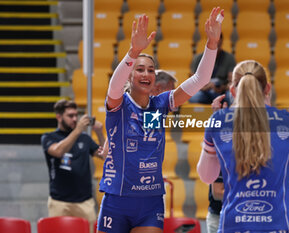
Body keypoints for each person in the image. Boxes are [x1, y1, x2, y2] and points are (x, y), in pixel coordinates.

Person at [97, 7, 223, 233]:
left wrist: (211, 44)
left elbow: (200, 79)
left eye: (151, 70)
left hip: (151, 199)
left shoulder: (159, 106)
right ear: (131, 75)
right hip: (117, 198)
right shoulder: (119, 105)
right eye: (140, 70)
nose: (146, 74)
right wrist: (133, 52)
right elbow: (114, 86)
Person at [197, 60, 289, 233]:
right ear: (267, 88)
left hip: (235, 224)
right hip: (281, 224)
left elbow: (207, 176)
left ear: (232, 90)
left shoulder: (217, 122)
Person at [41, 99, 105, 233]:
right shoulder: (49, 137)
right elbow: (58, 151)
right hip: (59, 202)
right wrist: (78, 129)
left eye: (76, 115)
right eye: (70, 116)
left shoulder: (85, 138)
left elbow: (106, 156)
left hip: (84, 202)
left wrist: (99, 133)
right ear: (59, 116)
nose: (75, 119)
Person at [189, 33, 235, 105]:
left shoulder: (229, 58)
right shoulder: (198, 58)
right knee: (194, 97)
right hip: (203, 91)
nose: (216, 46)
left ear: (222, 41)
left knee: (232, 96)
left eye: (218, 44)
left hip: (222, 92)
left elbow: (232, 81)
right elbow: (192, 81)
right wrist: (204, 88)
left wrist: (222, 88)